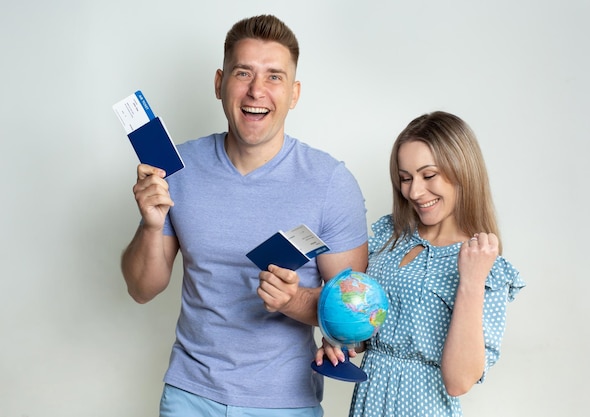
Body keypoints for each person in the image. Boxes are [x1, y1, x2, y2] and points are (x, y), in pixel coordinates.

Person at [121, 14, 368, 417]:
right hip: (190, 394)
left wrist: (293, 300)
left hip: (285, 402)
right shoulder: (176, 169)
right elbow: (141, 289)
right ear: (219, 83)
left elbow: (354, 320)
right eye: (243, 73)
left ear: (294, 93)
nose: (257, 90)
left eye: (274, 76)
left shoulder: (331, 183)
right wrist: (151, 225)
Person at [315, 111, 525, 417]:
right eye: (405, 178)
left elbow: (459, 381)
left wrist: (471, 280)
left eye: (429, 175)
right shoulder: (391, 239)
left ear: (462, 171)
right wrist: (342, 341)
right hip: (369, 401)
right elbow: (367, 329)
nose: (414, 191)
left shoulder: (484, 265)